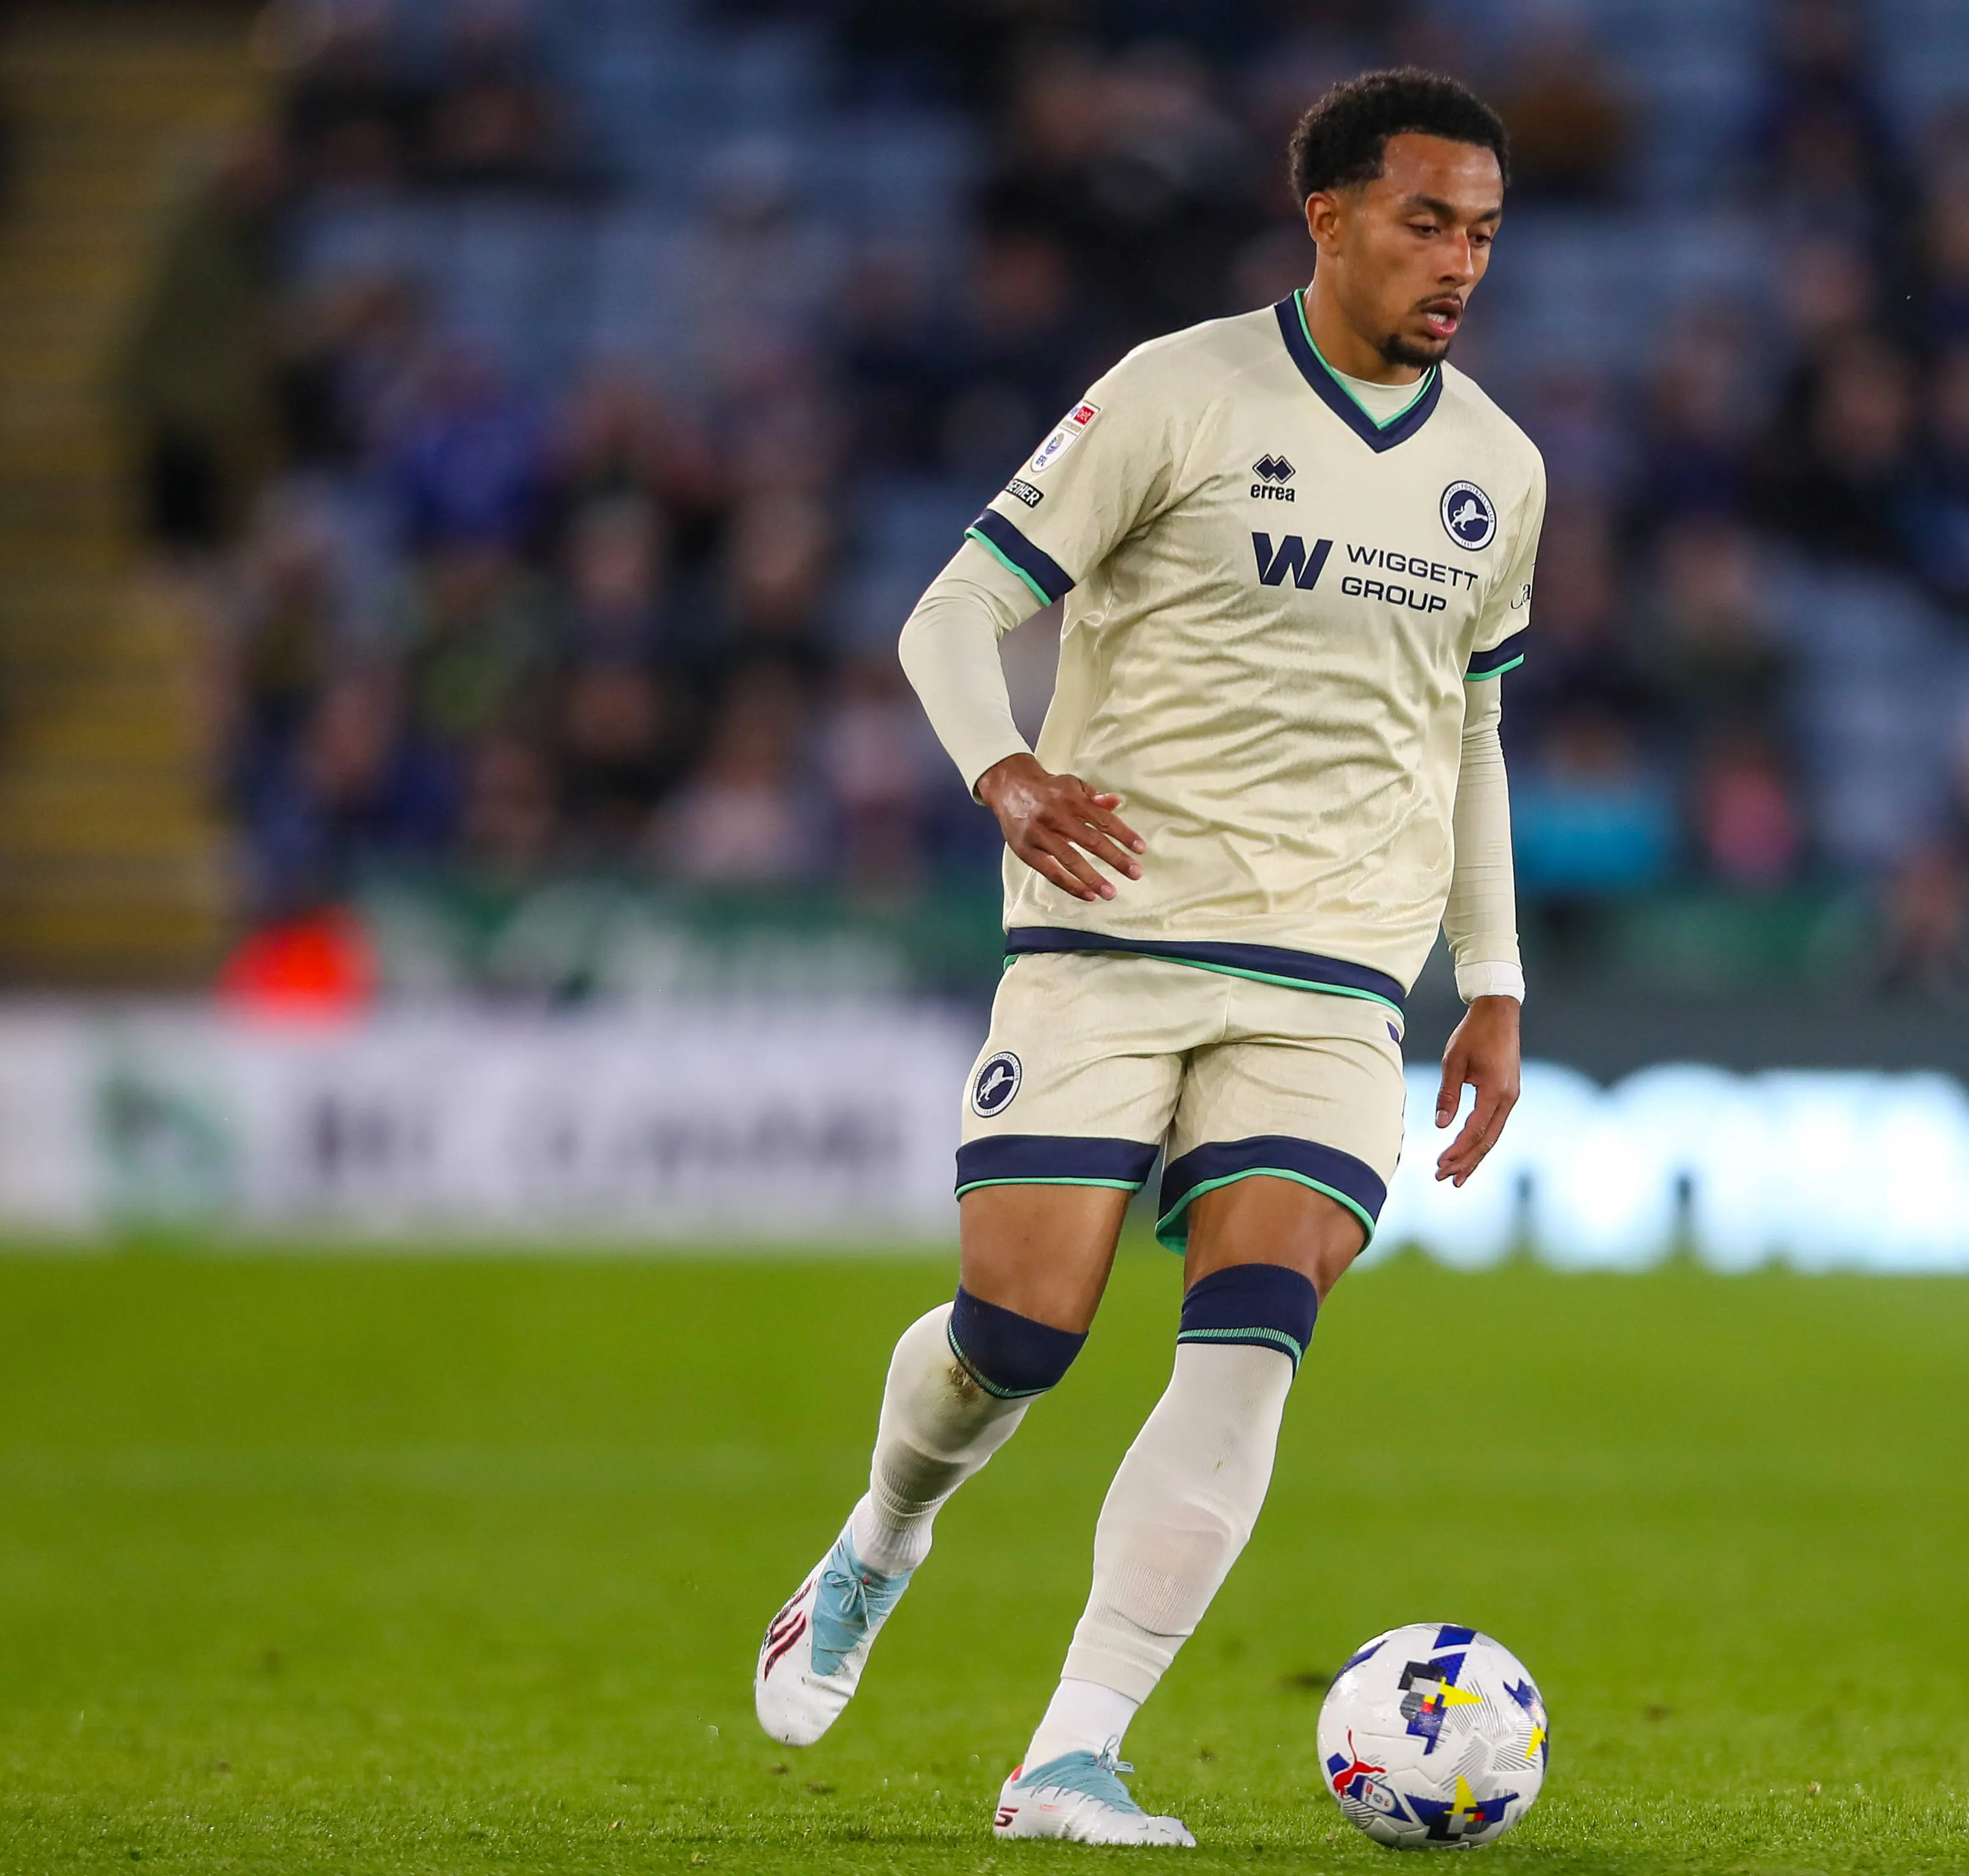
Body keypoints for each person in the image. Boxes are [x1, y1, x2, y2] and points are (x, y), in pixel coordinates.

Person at [748, 69, 1542, 1847]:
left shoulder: (1504, 469)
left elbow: (1472, 738)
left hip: (1338, 977)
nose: (1459, 262)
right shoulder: (1177, 393)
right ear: (1325, 214)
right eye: (1427, 221)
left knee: (1256, 1329)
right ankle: (884, 1534)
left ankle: (1071, 1753)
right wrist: (1004, 770)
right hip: (1114, 939)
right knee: (1017, 1340)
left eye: (1483, 231)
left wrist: (1489, 979)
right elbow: (954, 608)